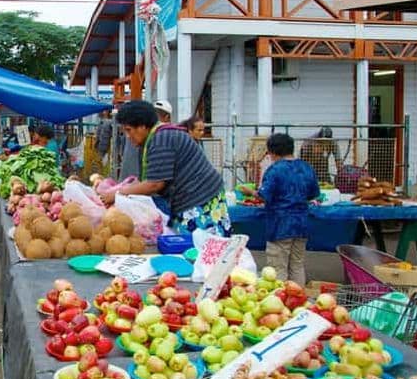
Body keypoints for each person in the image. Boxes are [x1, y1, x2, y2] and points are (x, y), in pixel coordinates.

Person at [100, 101, 230, 237]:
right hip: (188, 197)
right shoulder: (153, 139)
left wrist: (117, 195)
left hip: (201, 198)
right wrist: (121, 191)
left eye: (128, 130)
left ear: (143, 126)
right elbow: (149, 179)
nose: (127, 136)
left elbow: (154, 184)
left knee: (201, 246)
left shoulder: (161, 139)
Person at [241, 134, 320, 285]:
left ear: (272, 152)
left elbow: (264, 196)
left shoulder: (275, 170)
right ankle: (298, 300)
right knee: (297, 265)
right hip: (302, 224)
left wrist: (249, 192)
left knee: (278, 269)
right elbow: (313, 194)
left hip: (280, 225)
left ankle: (281, 304)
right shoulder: (306, 167)